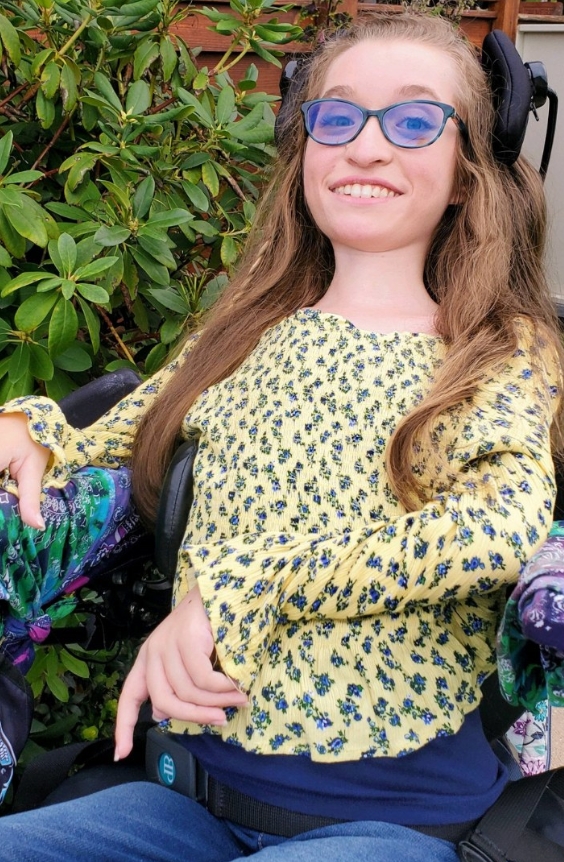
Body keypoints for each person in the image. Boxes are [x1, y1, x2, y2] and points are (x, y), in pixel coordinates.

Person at [0, 10, 562, 862]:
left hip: (390, 820)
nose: (366, 146)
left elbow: (499, 525)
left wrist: (251, 581)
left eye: (413, 121)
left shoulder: (495, 348)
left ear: (464, 172)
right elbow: (118, 430)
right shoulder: (247, 332)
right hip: (187, 797)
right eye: (337, 117)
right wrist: (31, 430)